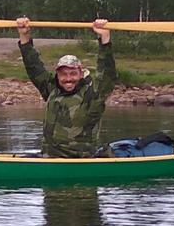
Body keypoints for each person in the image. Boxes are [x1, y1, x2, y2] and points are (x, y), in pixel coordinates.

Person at [16, 16, 115, 157]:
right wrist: (24, 35)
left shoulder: (92, 96)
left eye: (73, 73)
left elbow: (107, 75)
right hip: (49, 157)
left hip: (79, 160)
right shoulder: (52, 89)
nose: (68, 79)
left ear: (81, 73)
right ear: (57, 75)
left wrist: (104, 39)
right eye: (63, 74)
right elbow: (34, 67)